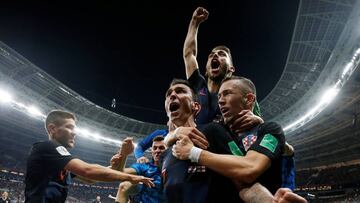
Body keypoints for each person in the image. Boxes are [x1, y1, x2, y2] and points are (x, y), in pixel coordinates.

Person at [183, 7, 296, 190]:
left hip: (229, 161)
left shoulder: (241, 96)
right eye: (212, 54)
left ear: (231, 68)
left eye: (221, 54)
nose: (215, 56)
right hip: (198, 161)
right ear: (205, 69)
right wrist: (194, 23)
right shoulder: (198, 86)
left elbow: (259, 131)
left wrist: (258, 121)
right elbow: (189, 54)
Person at [173, 76, 285, 195]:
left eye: (227, 94)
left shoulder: (270, 129)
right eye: (219, 96)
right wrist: (174, 134)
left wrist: (193, 153)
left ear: (249, 99)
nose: (220, 101)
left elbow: (250, 169)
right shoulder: (215, 130)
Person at [24, 110, 154, 203]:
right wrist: (131, 177)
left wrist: (117, 162)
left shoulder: (60, 160)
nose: (75, 133)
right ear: (52, 129)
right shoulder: (46, 147)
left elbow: (91, 179)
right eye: (69, 127)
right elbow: (89, 170)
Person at [114, 136, 166, 203]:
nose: (157, 151)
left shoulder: (175, 168)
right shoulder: (145, 166)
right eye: (155, 148)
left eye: (161, 148)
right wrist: (124, 154)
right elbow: (120, 173)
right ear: (151, 151)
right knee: (124, 186)